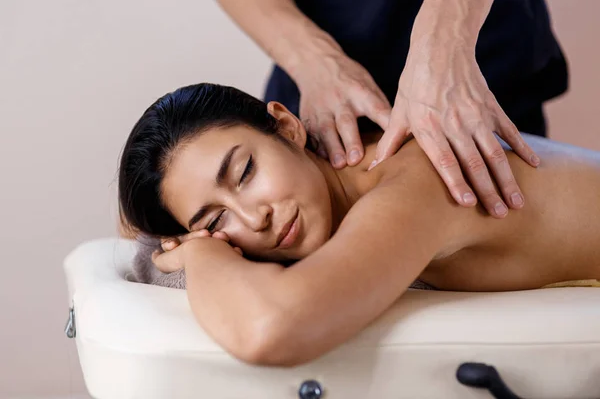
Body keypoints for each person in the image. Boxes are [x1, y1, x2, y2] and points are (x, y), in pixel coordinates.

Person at [118, 83, 599, 367]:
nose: (253, 218)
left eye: (245, 173)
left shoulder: (423, 177)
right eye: (216, 219)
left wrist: (202, 252)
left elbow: (272, 328)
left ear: (287, 127)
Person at [217, 0, 569, 219]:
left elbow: (277, 325)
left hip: (476, 63)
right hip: (322, 93)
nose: (255, 219)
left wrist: (444, 45)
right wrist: (315, 61)